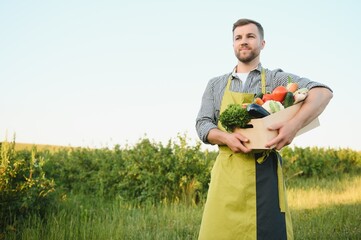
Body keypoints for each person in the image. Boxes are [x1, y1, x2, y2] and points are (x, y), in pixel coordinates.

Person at [195, 18, 333, 240]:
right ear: (233, 45)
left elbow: (323, 92)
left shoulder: (275, 79)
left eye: (250, 36)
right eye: (238, 38)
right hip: (228, 173)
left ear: (262, 43)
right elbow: (202, 124)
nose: (244, 41)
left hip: (265, 173)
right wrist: (225, 137)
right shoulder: (216, 84)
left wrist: (292, 126)